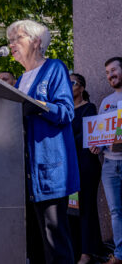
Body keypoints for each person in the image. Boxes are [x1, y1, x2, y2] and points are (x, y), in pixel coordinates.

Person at [6, 19, 80, 264]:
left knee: (54, 238)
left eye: (17, 38)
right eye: (10, 40)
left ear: (36, 42)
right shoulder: (20, 80)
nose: (11, 44)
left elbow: (67, 112)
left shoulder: (54, 68)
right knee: (34, 242)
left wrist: (38, 106)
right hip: (24, 173)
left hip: (49, 168)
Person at [90, 57, 122, 264]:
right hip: (109, 165)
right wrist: (96, 145)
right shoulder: (106, 102)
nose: (110, 75)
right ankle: (120, 254)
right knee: (115, 211)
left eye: (113, 70)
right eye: (107, 73)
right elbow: (99, 133)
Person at [70, 73, 102, 264]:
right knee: (71, 208)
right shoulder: (64, 110)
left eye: (72, 82)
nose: (68, 85)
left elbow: (86, 135)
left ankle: (87, 253)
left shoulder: (89, 108)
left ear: (81, 88)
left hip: (86, 165)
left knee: (86, 208)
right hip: (69, 166)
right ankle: (75, 250)